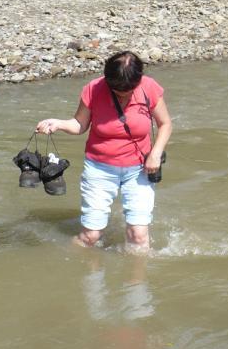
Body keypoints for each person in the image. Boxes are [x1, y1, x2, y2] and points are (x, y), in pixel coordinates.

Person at [36, 51, 172, 250]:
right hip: (99, 169)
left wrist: (156, 153)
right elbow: (79, 125)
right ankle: (76, 272)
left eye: (128, 89)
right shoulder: (94, 89)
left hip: (140, 169)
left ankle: (137, 280)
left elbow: (165, 124)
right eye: (117, 89)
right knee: (90, 236)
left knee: (139, 236)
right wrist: (58, 124)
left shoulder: (149, 88)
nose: (123, 93)